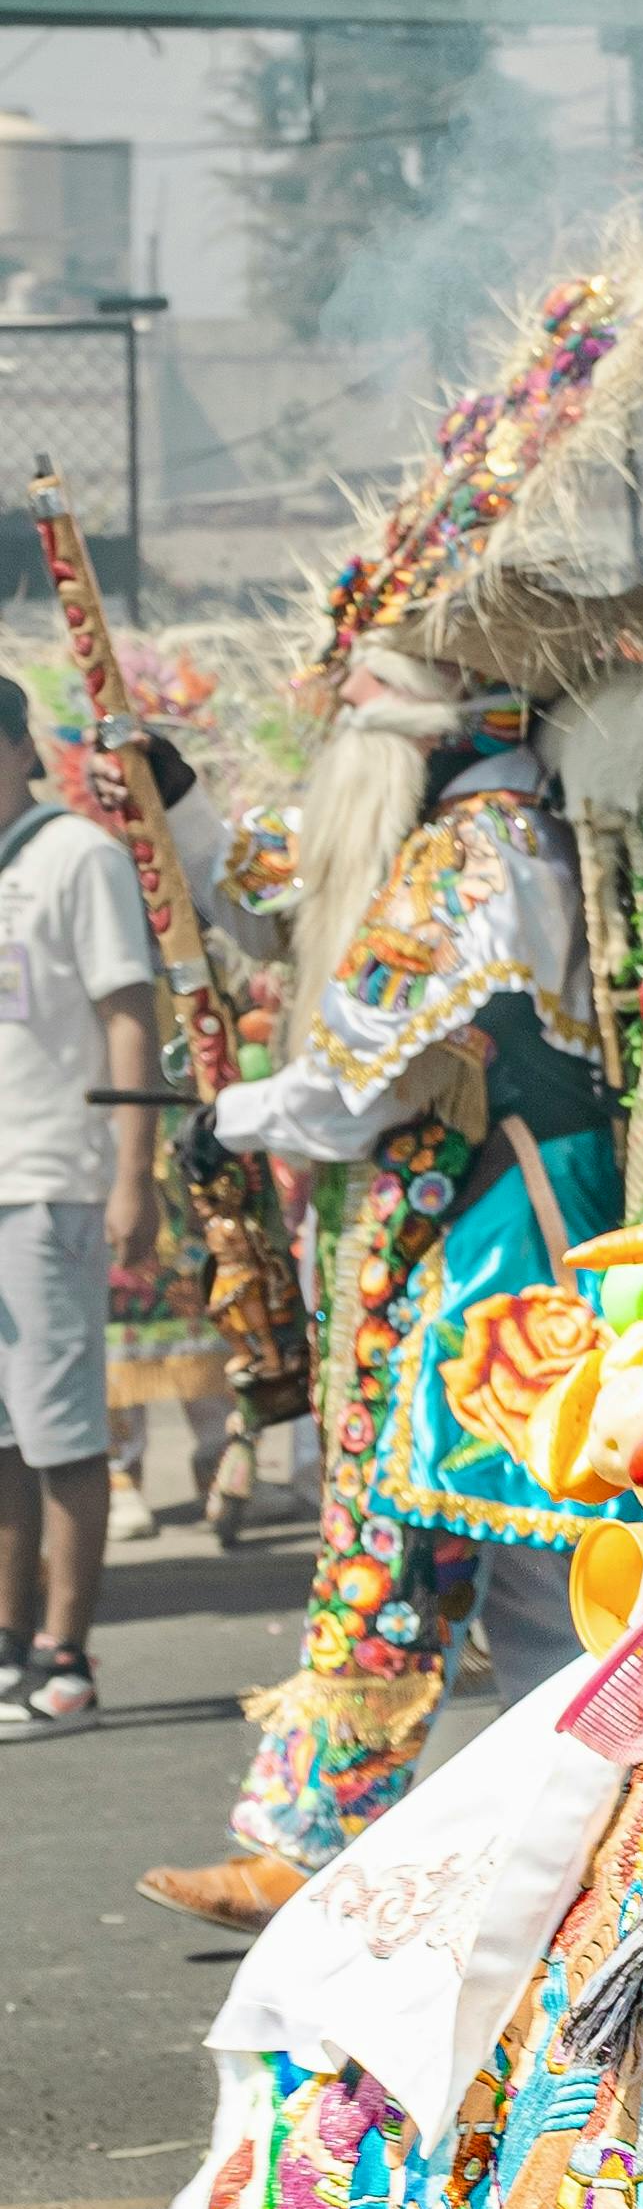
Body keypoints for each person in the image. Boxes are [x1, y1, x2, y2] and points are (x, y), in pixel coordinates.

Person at [133, 167, 643, 1925]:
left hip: (506, 1228)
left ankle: (603, 1825)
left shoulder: (482, 847)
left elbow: (363, 1064)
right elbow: (279, 889)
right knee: (454, 1528)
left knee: (509, 1527)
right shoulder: (440, 827)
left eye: (359, 700)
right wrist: (176, 803)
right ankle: (382, 1830)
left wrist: (239, 1111)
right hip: (464, 1222)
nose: (340, 725)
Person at [0, 672, 159, 1732]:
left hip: (49, 1177)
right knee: (3, 1437)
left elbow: (128, 1013)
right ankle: (9, 1641)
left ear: (20, 748)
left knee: (60, 1429)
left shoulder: (76, 856)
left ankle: (67, 1655)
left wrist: (133, 1173)